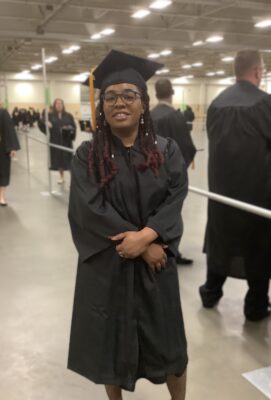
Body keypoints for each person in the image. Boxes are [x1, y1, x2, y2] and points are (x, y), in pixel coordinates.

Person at [68, 50, 188, 400]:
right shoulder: (87, 155)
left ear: (143, 104)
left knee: (170, 345)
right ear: (101, 104)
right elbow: (90, 209)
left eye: (129, 95)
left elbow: (177, 194)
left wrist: (150, 237)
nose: (119, 102)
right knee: (111, 344)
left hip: (156, 263)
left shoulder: (165, 151)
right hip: (110, 265)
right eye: (111, 96)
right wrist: (135, 245)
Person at [200, 50, 271, 322]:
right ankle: (255, 306)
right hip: (257, 195)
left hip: (221, 193)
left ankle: (210, 292)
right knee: (259, 249)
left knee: (221, 242)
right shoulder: (265, 104)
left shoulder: (216, 104)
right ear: (257, 72)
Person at [151, 78, 196, 266]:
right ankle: (171, 252)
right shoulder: (175, 116)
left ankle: (153, 247)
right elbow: (186, 147)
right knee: (172, 214)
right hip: (171, 176)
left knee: (153, 211)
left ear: (155, 94)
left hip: (149, 175)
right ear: (172, 93)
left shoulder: (148, 115)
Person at [38, 99, 76, 184]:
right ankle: (61, 177)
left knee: (69, 160)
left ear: (63, 105)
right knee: (59, 160)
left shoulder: (68, 115)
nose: (59, 105)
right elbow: (40, 121)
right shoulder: (50, 116)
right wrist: (46, 123)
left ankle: (73, 180)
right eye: (57, 104)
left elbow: (74, 126)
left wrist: (70, 128)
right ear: (54, 105)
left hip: (66, 142)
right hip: (55, 141)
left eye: (60, 103)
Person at [0, 105, 20, 206]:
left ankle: (2, 196)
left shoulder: (3, 113)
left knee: (3, 172)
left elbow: (9, 130)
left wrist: (12, 147)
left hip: (2, 148)